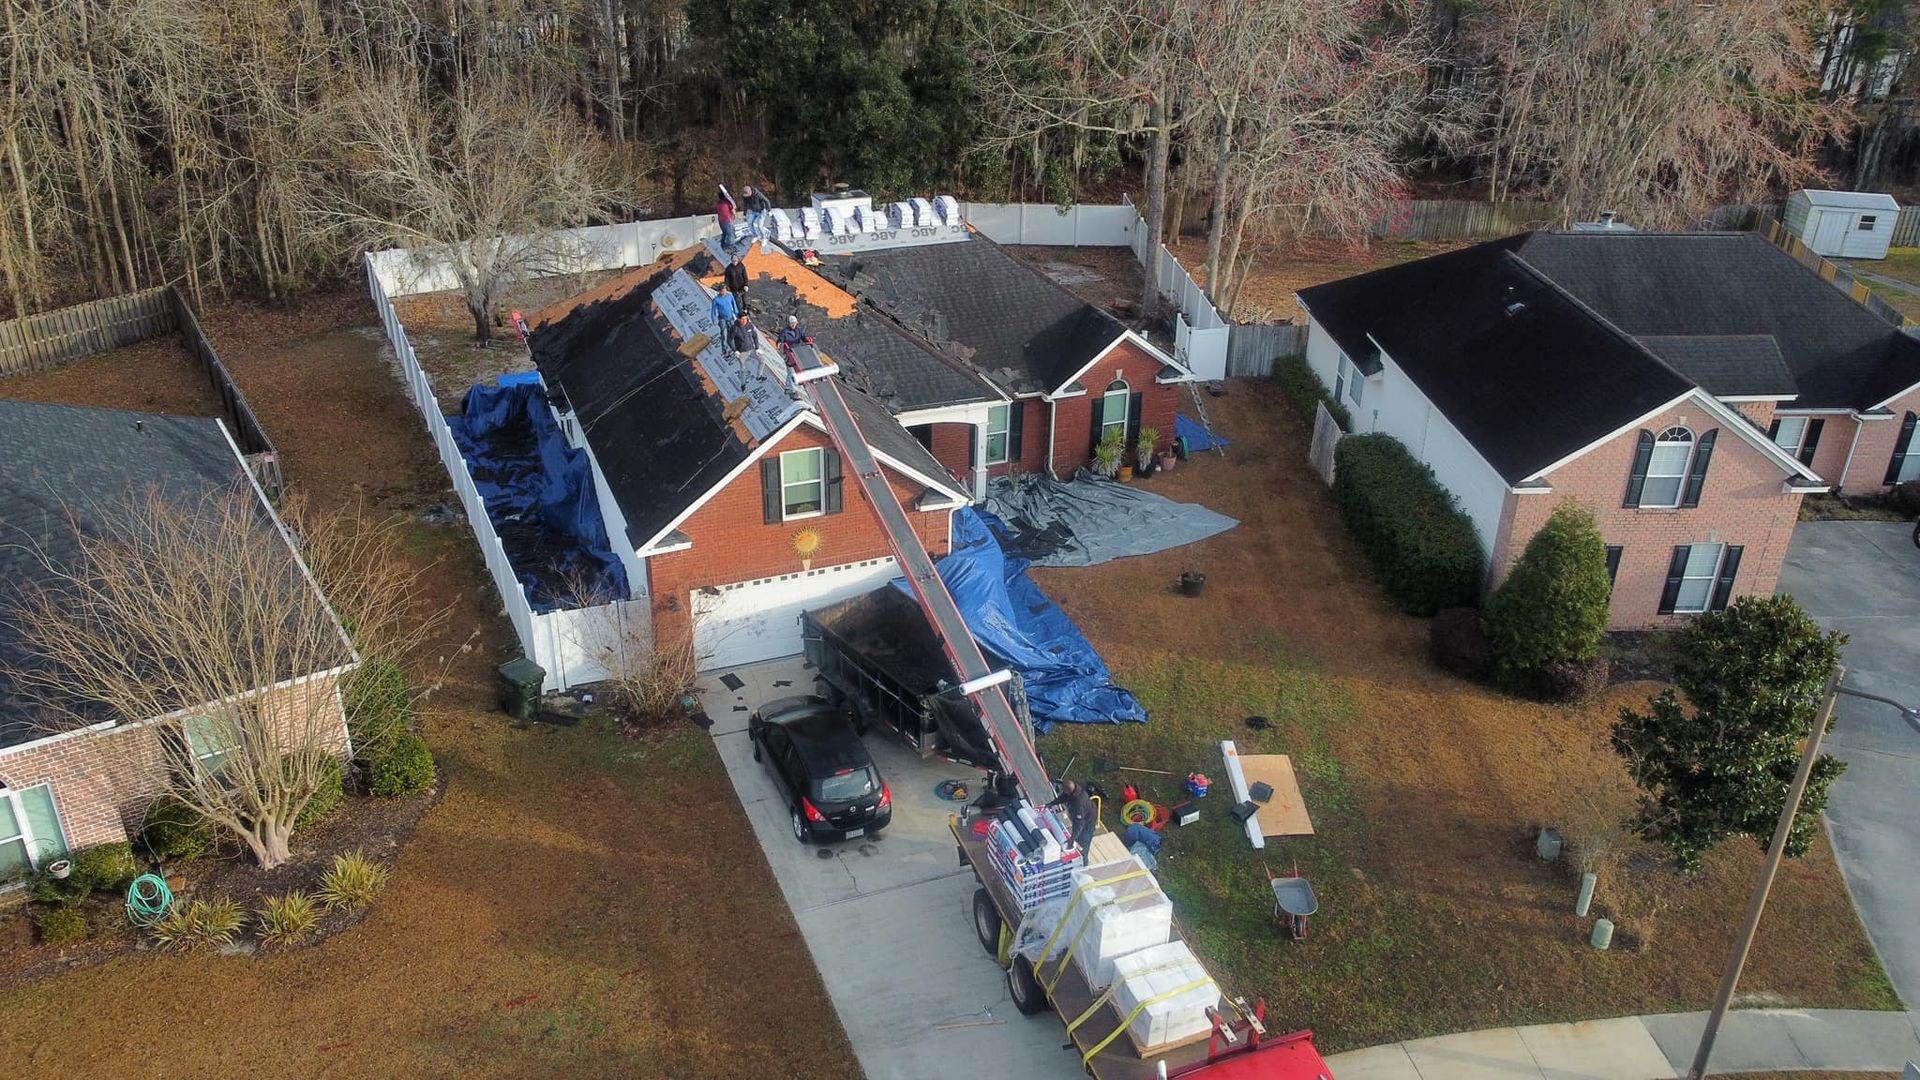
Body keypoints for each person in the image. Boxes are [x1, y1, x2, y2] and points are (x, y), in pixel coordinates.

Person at [1047, 779, 1096, 854]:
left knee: (1082, 844)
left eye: (1064, 790)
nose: (1063, 791)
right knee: (1076, 836)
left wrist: (1072, 839)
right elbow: (1063, 797)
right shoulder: (1074, 789)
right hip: (1085, 813)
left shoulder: (1078, 804)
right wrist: (1051, 803)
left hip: (1087, 822)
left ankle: (1084, 861)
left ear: (1067, 790)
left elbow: (1079, 824)